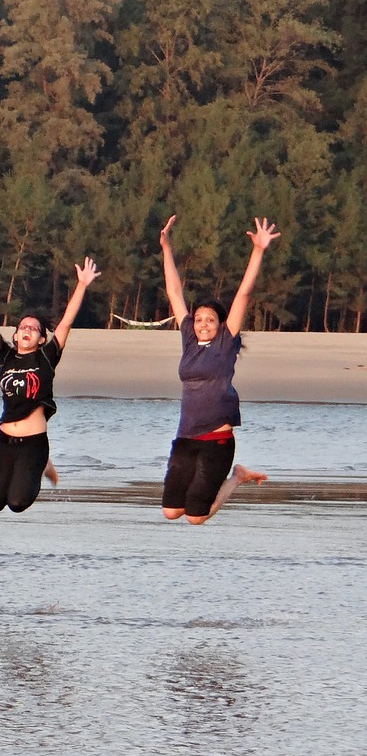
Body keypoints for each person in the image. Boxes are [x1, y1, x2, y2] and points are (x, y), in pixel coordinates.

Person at [0, 251, 101, 514]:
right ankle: (40, 466)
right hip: (4, 441)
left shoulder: (46, 357)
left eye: (33, 328)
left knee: (18, 503)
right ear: (15, 335)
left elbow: (65, 323)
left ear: (42, 339)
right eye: (23, 327)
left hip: (33, 443)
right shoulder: (6, 356)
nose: (27, 330)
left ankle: (42, 463)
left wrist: (81, 285)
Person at [159, 215, 277, 524]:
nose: (203, 324)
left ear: (220, 324)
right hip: (185, 437)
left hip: (216, 440)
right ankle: (233, 476)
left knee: (195, 517)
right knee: (171, 512)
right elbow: (174, 293)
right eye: (199, 319)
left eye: (210, 319)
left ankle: (237, 477)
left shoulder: (226, 341)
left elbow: (243, 294)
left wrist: (258, 251)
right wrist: (166, 247)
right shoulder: (189, 340)